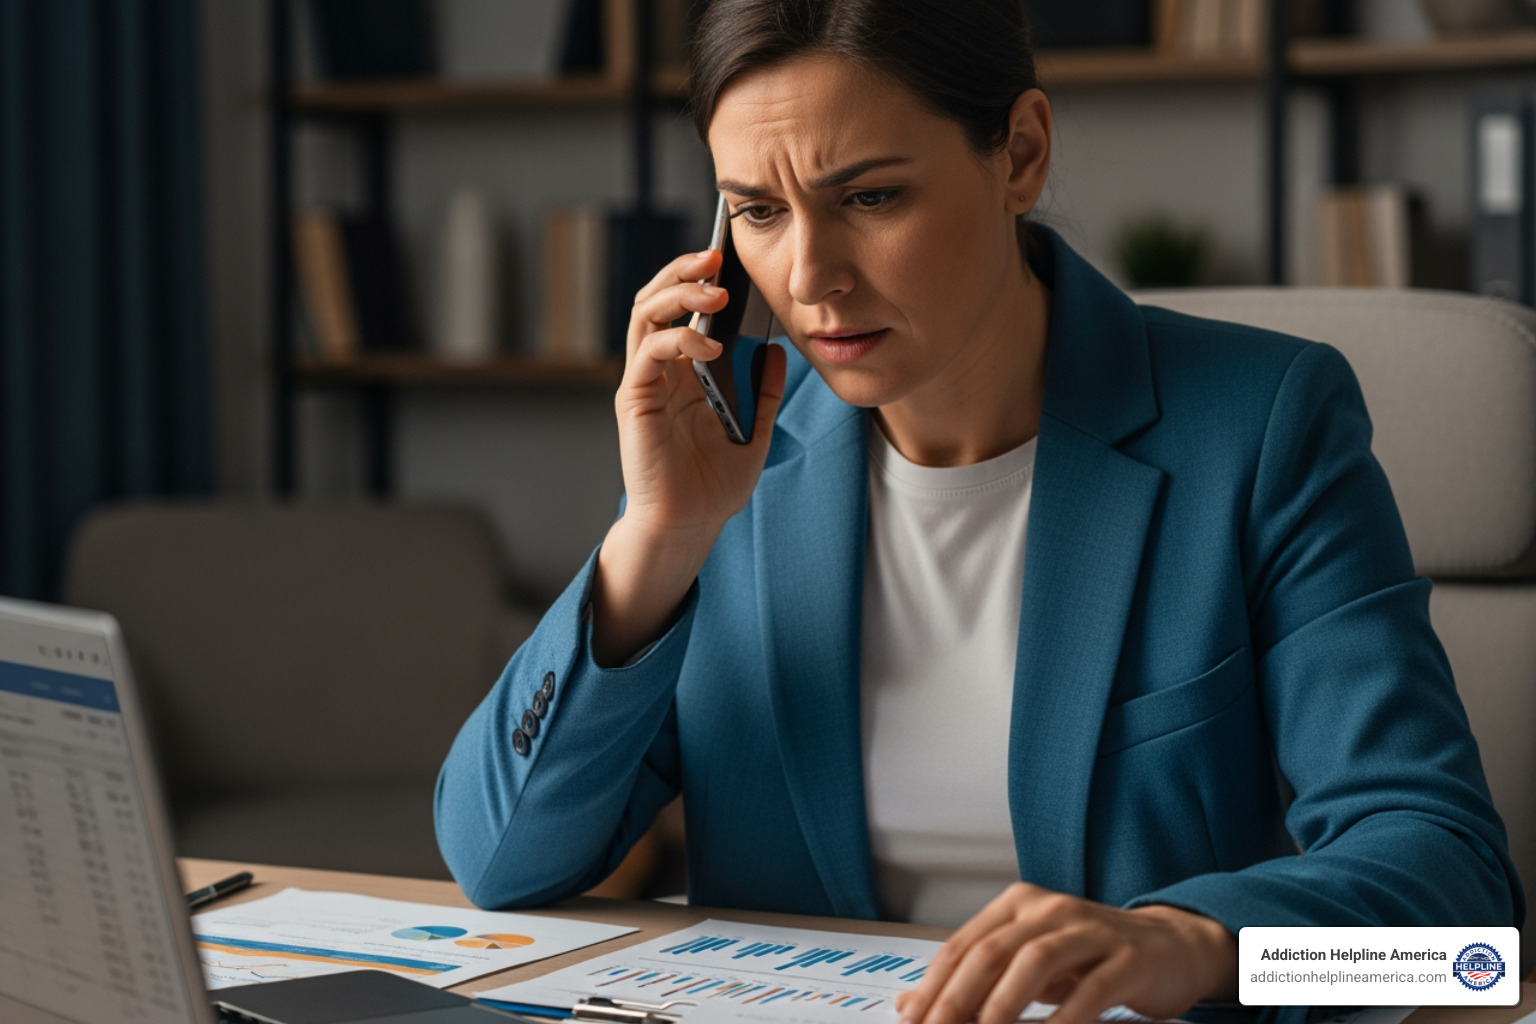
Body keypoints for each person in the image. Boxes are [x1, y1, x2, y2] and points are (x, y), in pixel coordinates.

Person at [435, 1, 1523, 1022]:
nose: (809, 278)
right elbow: (498, 858)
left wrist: (1197, 943)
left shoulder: (1261, 427)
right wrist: (657, 539)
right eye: (760, 213)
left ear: (1021, 154)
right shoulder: (724, 459)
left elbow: (1468, 935)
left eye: (869, 197)